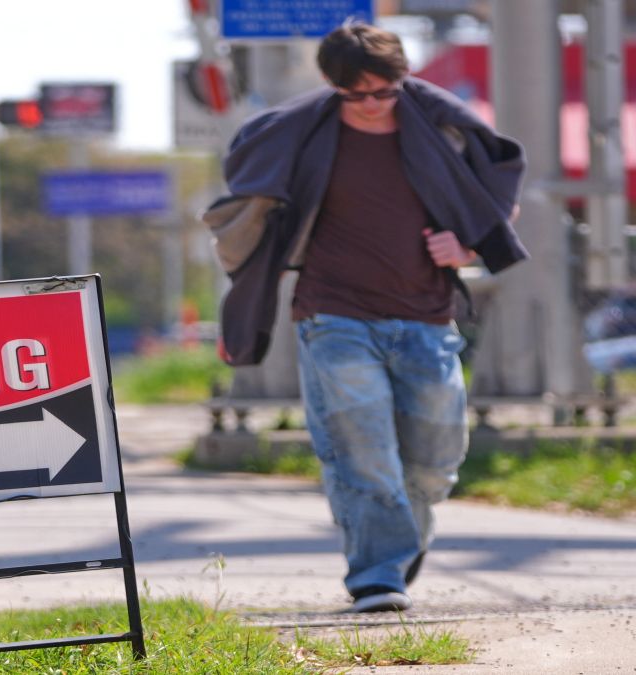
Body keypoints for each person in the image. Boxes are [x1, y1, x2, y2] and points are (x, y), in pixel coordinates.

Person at [206, 22, 528, 613]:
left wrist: (469, 247)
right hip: (334, 317)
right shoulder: (304, 134)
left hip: (428, 318)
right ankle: (377, 576)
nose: (375, 106)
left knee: (433, 462)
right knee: (364, 452)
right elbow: (250, 182)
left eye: (386, 92)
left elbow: (497, 184)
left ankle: (399, 545)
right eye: (358, 96)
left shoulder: (441, 130)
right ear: (335, 87)